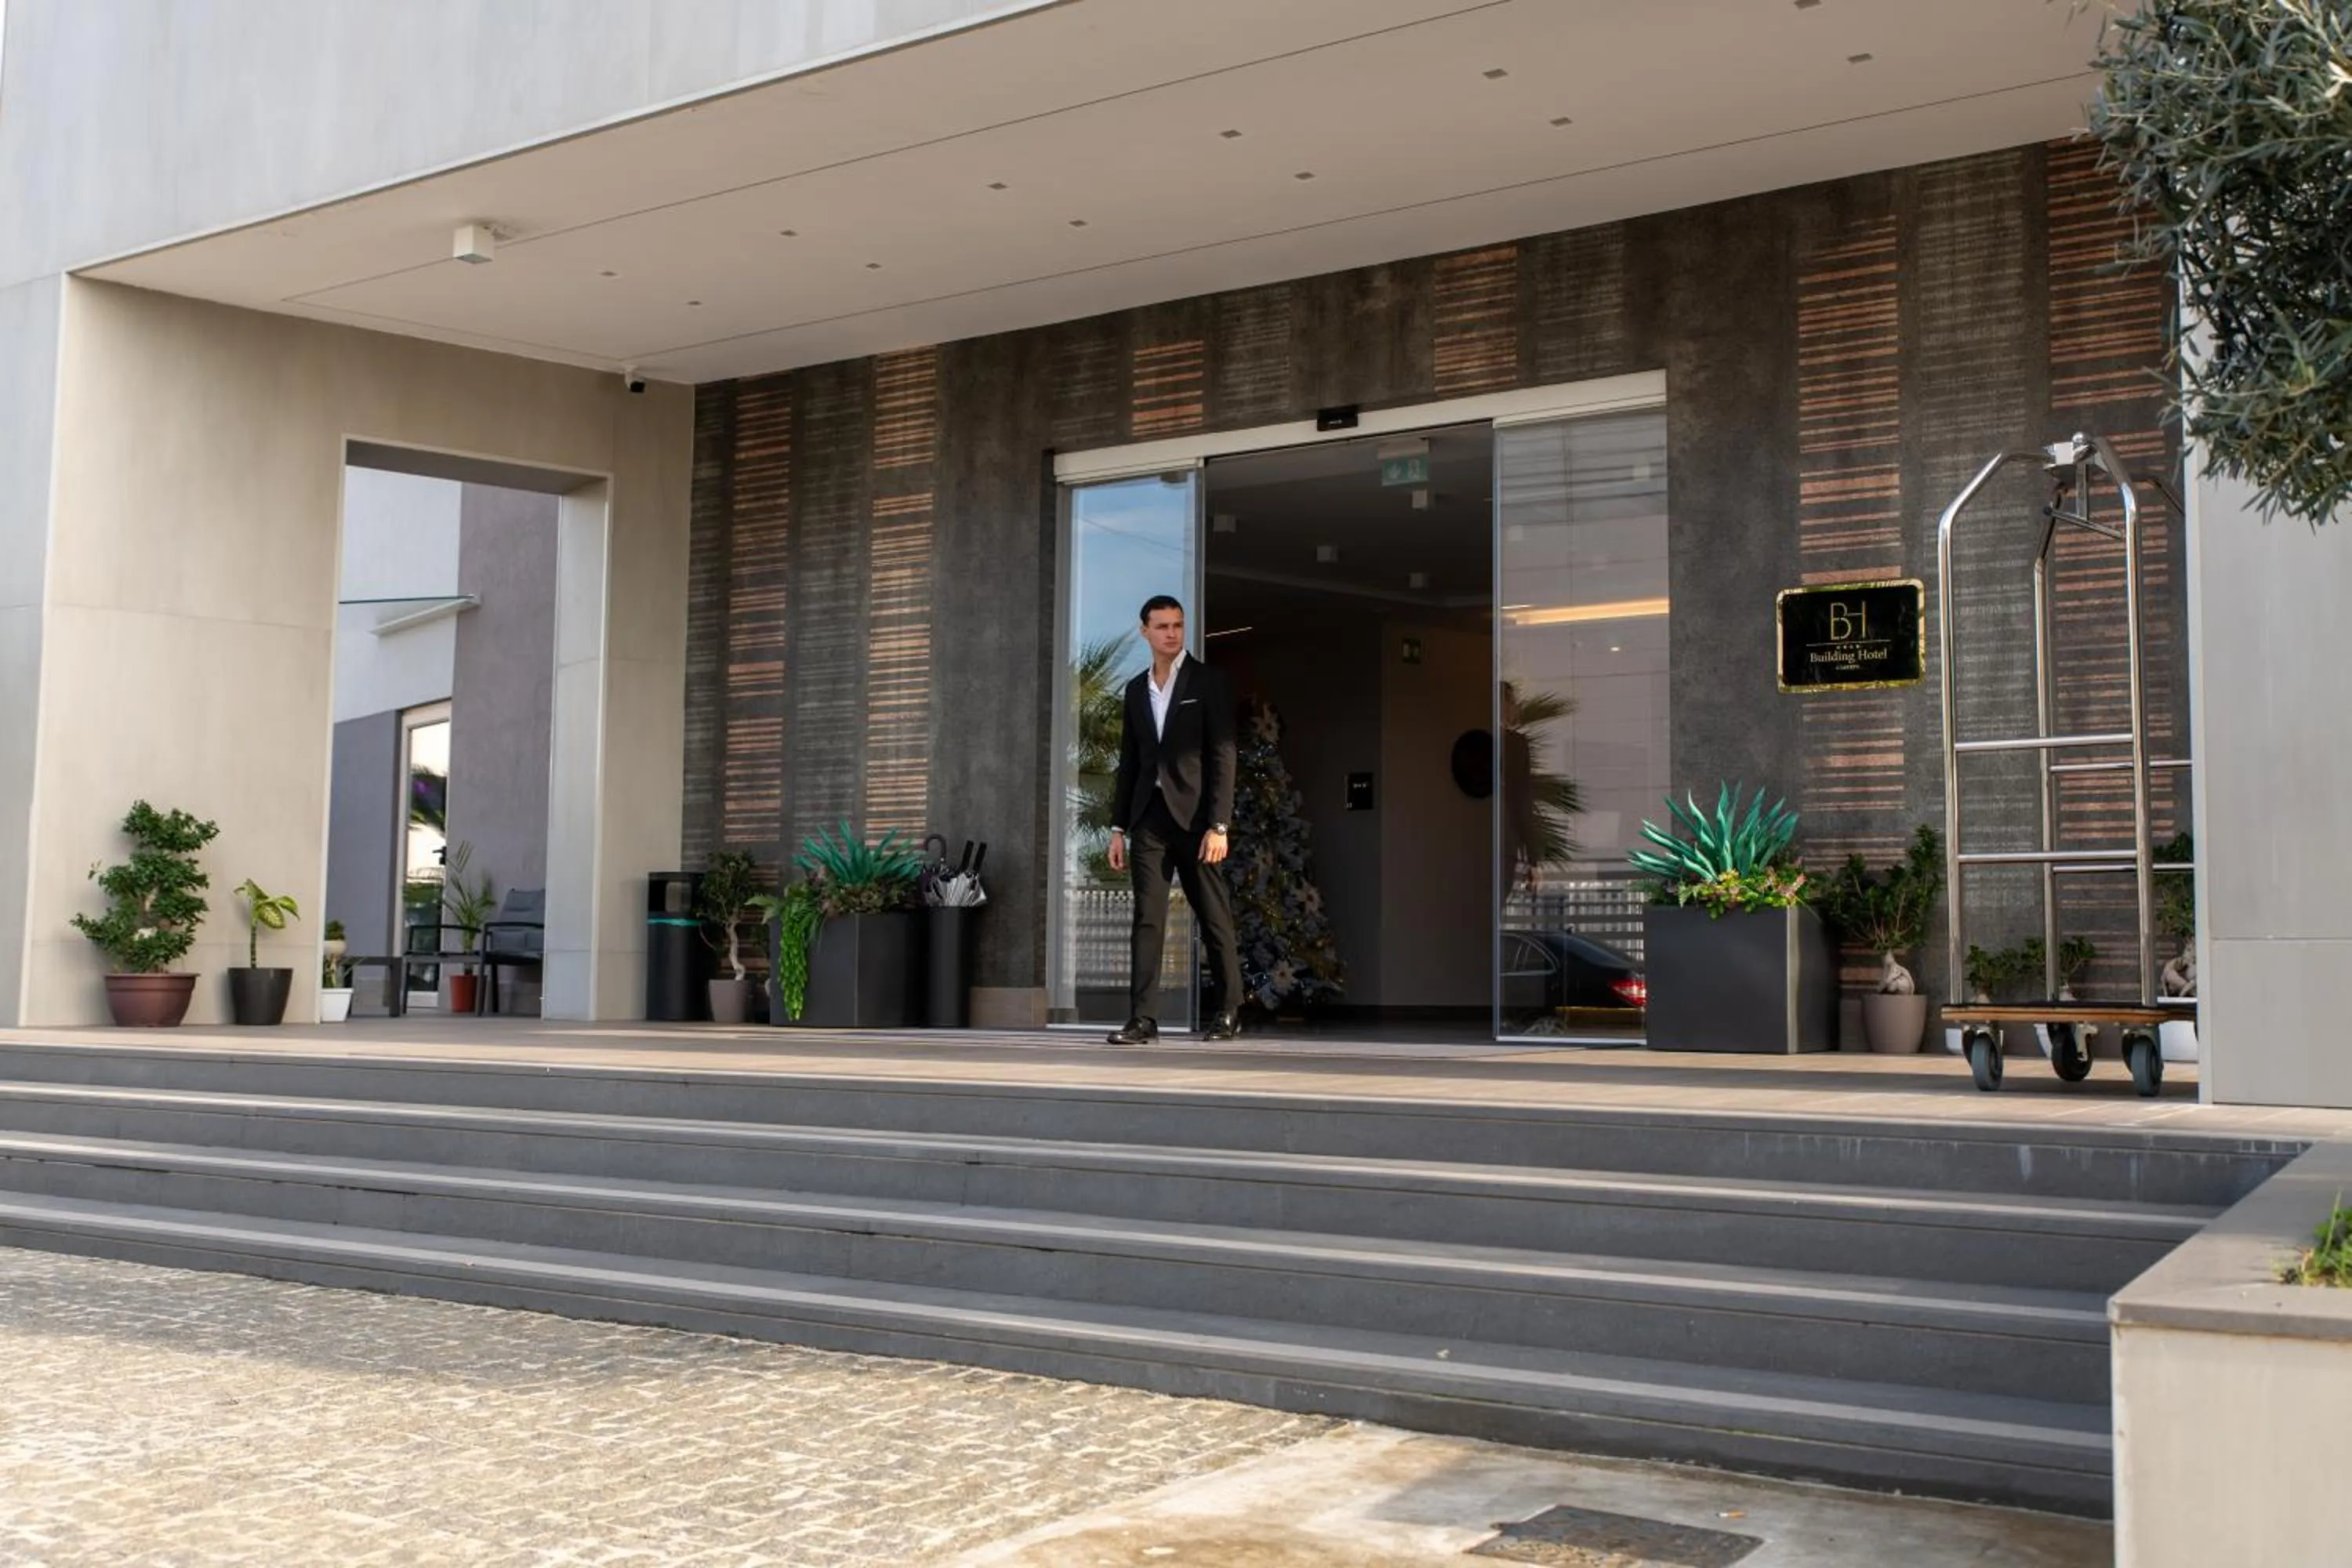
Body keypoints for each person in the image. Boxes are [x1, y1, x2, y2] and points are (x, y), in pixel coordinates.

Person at [1105, 594, 1242, 1044]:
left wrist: (1219, 824)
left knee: (1213, 915)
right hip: (1150, 818)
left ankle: (1228, 1010)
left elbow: (1223, 755)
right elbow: (1130, 762)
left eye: (1177, 626)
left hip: (1199, 822)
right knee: (1148, 919)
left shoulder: (1209, 681)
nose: (1171, 633)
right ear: (1144, 631)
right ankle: (1142, 1019)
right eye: (1162, 626)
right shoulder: (1134, 689)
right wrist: (1118, 827)